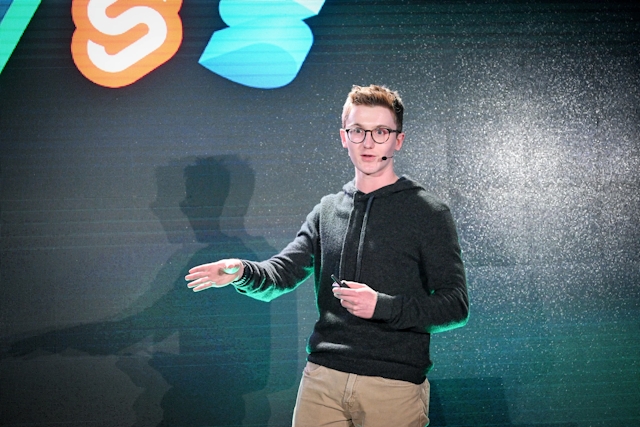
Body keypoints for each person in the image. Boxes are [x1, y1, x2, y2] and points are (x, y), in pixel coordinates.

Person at [185, 84, 469, 426]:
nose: (368, 142)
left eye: (380, 131)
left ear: (398, 140)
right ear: (343, 137)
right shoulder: (327, 211)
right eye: (358, 131)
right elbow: (282, 274)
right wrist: (241, 271)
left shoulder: (428, 212)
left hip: (392, 386)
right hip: (322, 381)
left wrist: (381, 305)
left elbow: (455, 306)